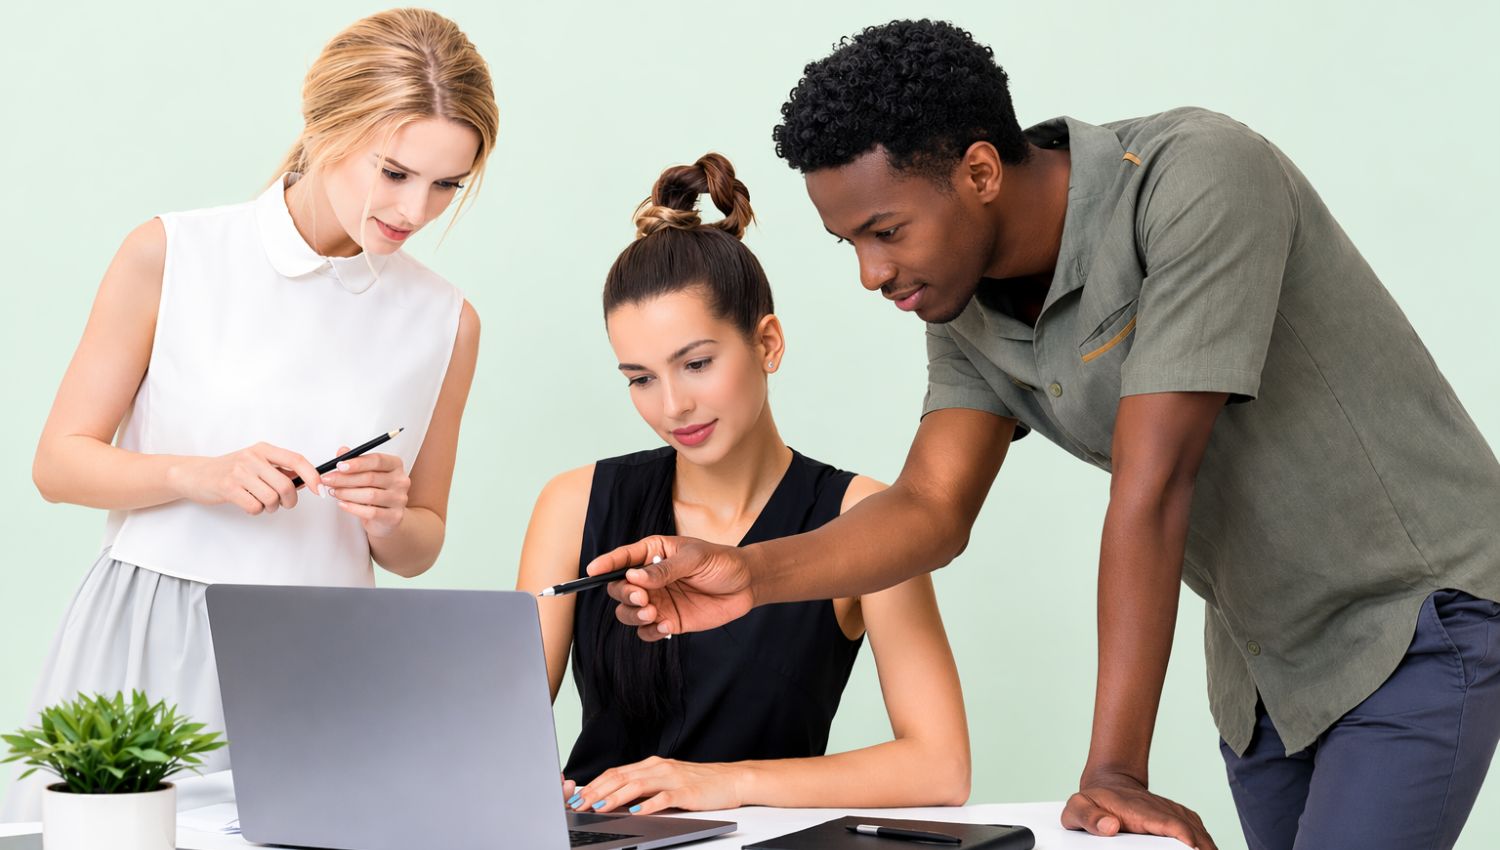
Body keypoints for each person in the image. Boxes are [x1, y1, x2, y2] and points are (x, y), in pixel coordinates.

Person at [586, 20, 1500, 850]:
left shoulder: (1196, 179)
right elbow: (930, 508)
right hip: (1266, 666)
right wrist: (748, 574)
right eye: (849, 243)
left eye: (887, 230)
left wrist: (1113, 770)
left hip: (1412, 615)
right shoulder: (959, 308)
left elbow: (1154, 484)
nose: (871, 273)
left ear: (980, 173)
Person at [3, 8, 498, 821]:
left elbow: (421, 547)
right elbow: (58, 463)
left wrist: (388, 515)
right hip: (152, 635)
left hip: (329, 659)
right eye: (396, 172)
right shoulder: (173, 253)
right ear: (324, 128)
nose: (416, 210)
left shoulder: (447, 320)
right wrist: (199, 473)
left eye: (448, 184)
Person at [516, 153, 970, 816]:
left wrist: (724, 784)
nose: (672, 405)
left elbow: (940, 765)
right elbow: (499, 736)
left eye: (696, 363)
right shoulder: (573, 504)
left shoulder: (866, 516)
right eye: (640, 378)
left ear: (768, 344)